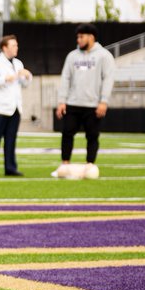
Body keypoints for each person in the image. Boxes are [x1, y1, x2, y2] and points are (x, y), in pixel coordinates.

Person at [53, 23, 115, 177]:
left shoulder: (104, 55)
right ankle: (64, 165)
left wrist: (104, 101)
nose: (78, 40)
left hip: (93, 105)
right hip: (73, 103)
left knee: (92, 136)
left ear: (91, 37)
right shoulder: (72, 56)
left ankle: (90, 166)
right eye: (77, 37)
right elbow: (65, 78)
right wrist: (62, 101)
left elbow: (108, 79)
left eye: (81, 37)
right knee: (67, 133)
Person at [0, 34, 33, 176]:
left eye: (16, 45)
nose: (16, 48)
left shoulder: (18, 63)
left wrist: (27, 76)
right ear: (5, 47)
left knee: (11, 140)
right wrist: (4, 78)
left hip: (14, 108)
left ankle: (10, 167)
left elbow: (24, 84)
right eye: (13, 45)